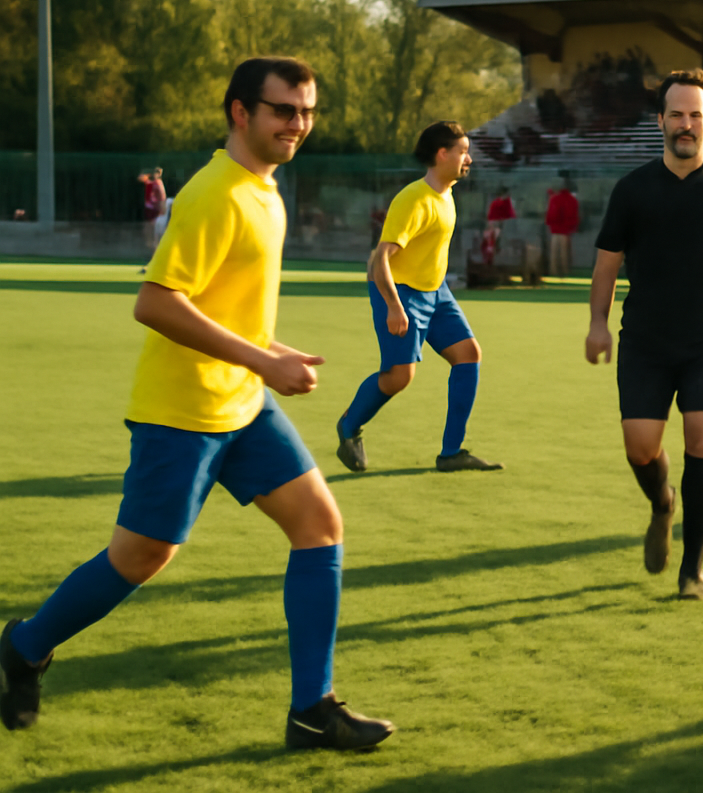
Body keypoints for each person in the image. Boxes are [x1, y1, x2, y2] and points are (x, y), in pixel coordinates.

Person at [0, 57, 393, 748]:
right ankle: (25, 646)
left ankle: (313, 707)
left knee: (320, 527)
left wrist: (271, 350)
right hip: (181, 412)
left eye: (306, 112)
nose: (297, 125)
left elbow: (225, 307)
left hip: (242, 404)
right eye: (282, 110)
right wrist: (262, 361)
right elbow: (154, 303)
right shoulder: (215, 194)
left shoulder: (265, 190)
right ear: (240, 112)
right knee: (142, 558)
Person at [585, 69, 703, 600]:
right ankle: (662, 504)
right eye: (676, 114)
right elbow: (606, 265)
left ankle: (692, 568)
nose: (686, 124)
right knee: (641, 448)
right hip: (644, 338)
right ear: (661, 121)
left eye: (696, 114)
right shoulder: (632, 190)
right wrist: (598, 325)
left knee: (702, 443)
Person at [335, 121, 502, 474]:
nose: (468, 158)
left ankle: (451, 453)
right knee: (399, 377)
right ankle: (348, 427)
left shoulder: (447, 192)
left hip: (435, 292)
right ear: (442, 154)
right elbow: (379, 258)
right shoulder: (414, 199)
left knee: (468, 355)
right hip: (399, 292)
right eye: (462, 151)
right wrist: (394, 307)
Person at [546, 180, 580, 278]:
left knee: (554, 252)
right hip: (565, 230)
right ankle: (565, 271)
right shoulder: (572, 200)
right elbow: (573, 215)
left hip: (554, 229)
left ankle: (554, 271)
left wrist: (550, 224)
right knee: (565, 252)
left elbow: (551, 214)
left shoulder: (554, 198)